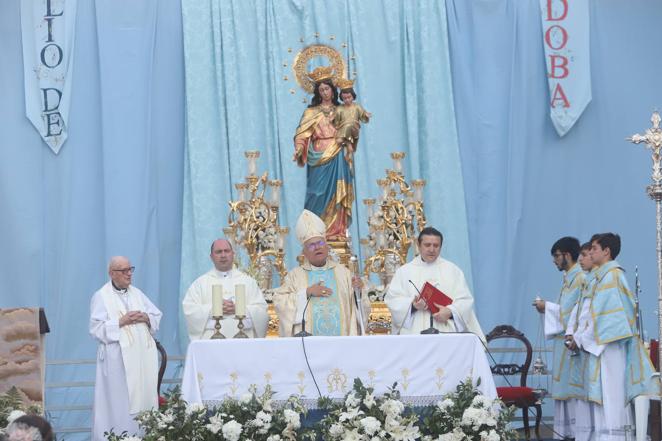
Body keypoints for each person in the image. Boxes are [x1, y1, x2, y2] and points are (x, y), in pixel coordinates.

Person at [565, 233, 657, 441]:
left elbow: (603, 316)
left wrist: (580, 339)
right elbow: (589, 313)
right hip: (599, 345)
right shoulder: (601, 277)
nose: (591, 252)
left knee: (612, 395)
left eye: (595, 248)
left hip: (610, 346)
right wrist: (579, 337)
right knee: (603, 396)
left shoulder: (613, 276)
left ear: (607, 252)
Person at [89, 257, 162, 441]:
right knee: (120, 403)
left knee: (143, 400)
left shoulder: (137, 293)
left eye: (130, 269)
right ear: (112, 273)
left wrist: (145, 317)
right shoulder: (101, 296)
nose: (129, 274)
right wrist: (122, 321)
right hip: (117, 362)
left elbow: (156, 315)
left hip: (141, 359)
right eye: (124, 270)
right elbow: (96, 329)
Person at [272, 209, 370, 336]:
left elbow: (360, 308)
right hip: (307, 349)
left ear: (327, 246)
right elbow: (280, 302)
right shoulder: (295, 276)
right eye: (311, 245)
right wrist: (306, 293)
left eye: (320, 243)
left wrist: (359, 291)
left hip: (341, 345)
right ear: (304, 252)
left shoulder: (344, 274)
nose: (317, 247)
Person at [384, 227, 484, 340]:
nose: (432, 249)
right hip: (414, 335)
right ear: (418, 245)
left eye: (436, 246)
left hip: (445, 333)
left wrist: (450, 311)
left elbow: (465, 301)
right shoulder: (404, 272)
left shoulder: (452, 271)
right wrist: (413, 306)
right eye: (427, 245)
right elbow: (392, 301)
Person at [293, 67, 353, 241]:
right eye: (321, 90)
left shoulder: (342, 110)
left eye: (327, 88)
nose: (325, 92)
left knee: (337, 192)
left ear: (333, 90)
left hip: (338, 154)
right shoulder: (311, 112)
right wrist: (299, 148)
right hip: (318, 154)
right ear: (318, 93)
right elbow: (302, 134)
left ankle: (336, 231)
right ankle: (313, 233)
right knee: (316, 193)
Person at [533, 237, 584, 440]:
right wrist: (548, 308)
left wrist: (547, 307)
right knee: (563, 392)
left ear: (567, 255)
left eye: (556, 256)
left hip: (572, 345)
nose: (554, 261)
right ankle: (564, 433)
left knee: (572, 392)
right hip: (563, 345)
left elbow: (573, 313)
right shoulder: (568, 278)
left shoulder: (579, 278)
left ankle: (575, 433)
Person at [182, 239, 269, 339]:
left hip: (243, 343)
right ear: (211, 257)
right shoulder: (200, 284)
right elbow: (190, 312)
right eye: (218, 252)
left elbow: (262, 312)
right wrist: (214, 309)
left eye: (226, 251)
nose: (223, 255)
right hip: (211, 344)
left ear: (233, 254)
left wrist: (240, 309)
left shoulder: (248, 282)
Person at [333, 78, 371, 155]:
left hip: (354, 129)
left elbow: (363, 118)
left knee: (352, 150)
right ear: (341, 98)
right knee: (339, 141)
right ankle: (347, 142)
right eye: (344, 98)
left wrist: (366, 115)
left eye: (349, 97)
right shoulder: (339, 108)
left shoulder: (357, 107)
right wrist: (332, 120)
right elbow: (336, 124)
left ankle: (348, 145)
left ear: (353, 96)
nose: (347, 100)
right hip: (343, 130)